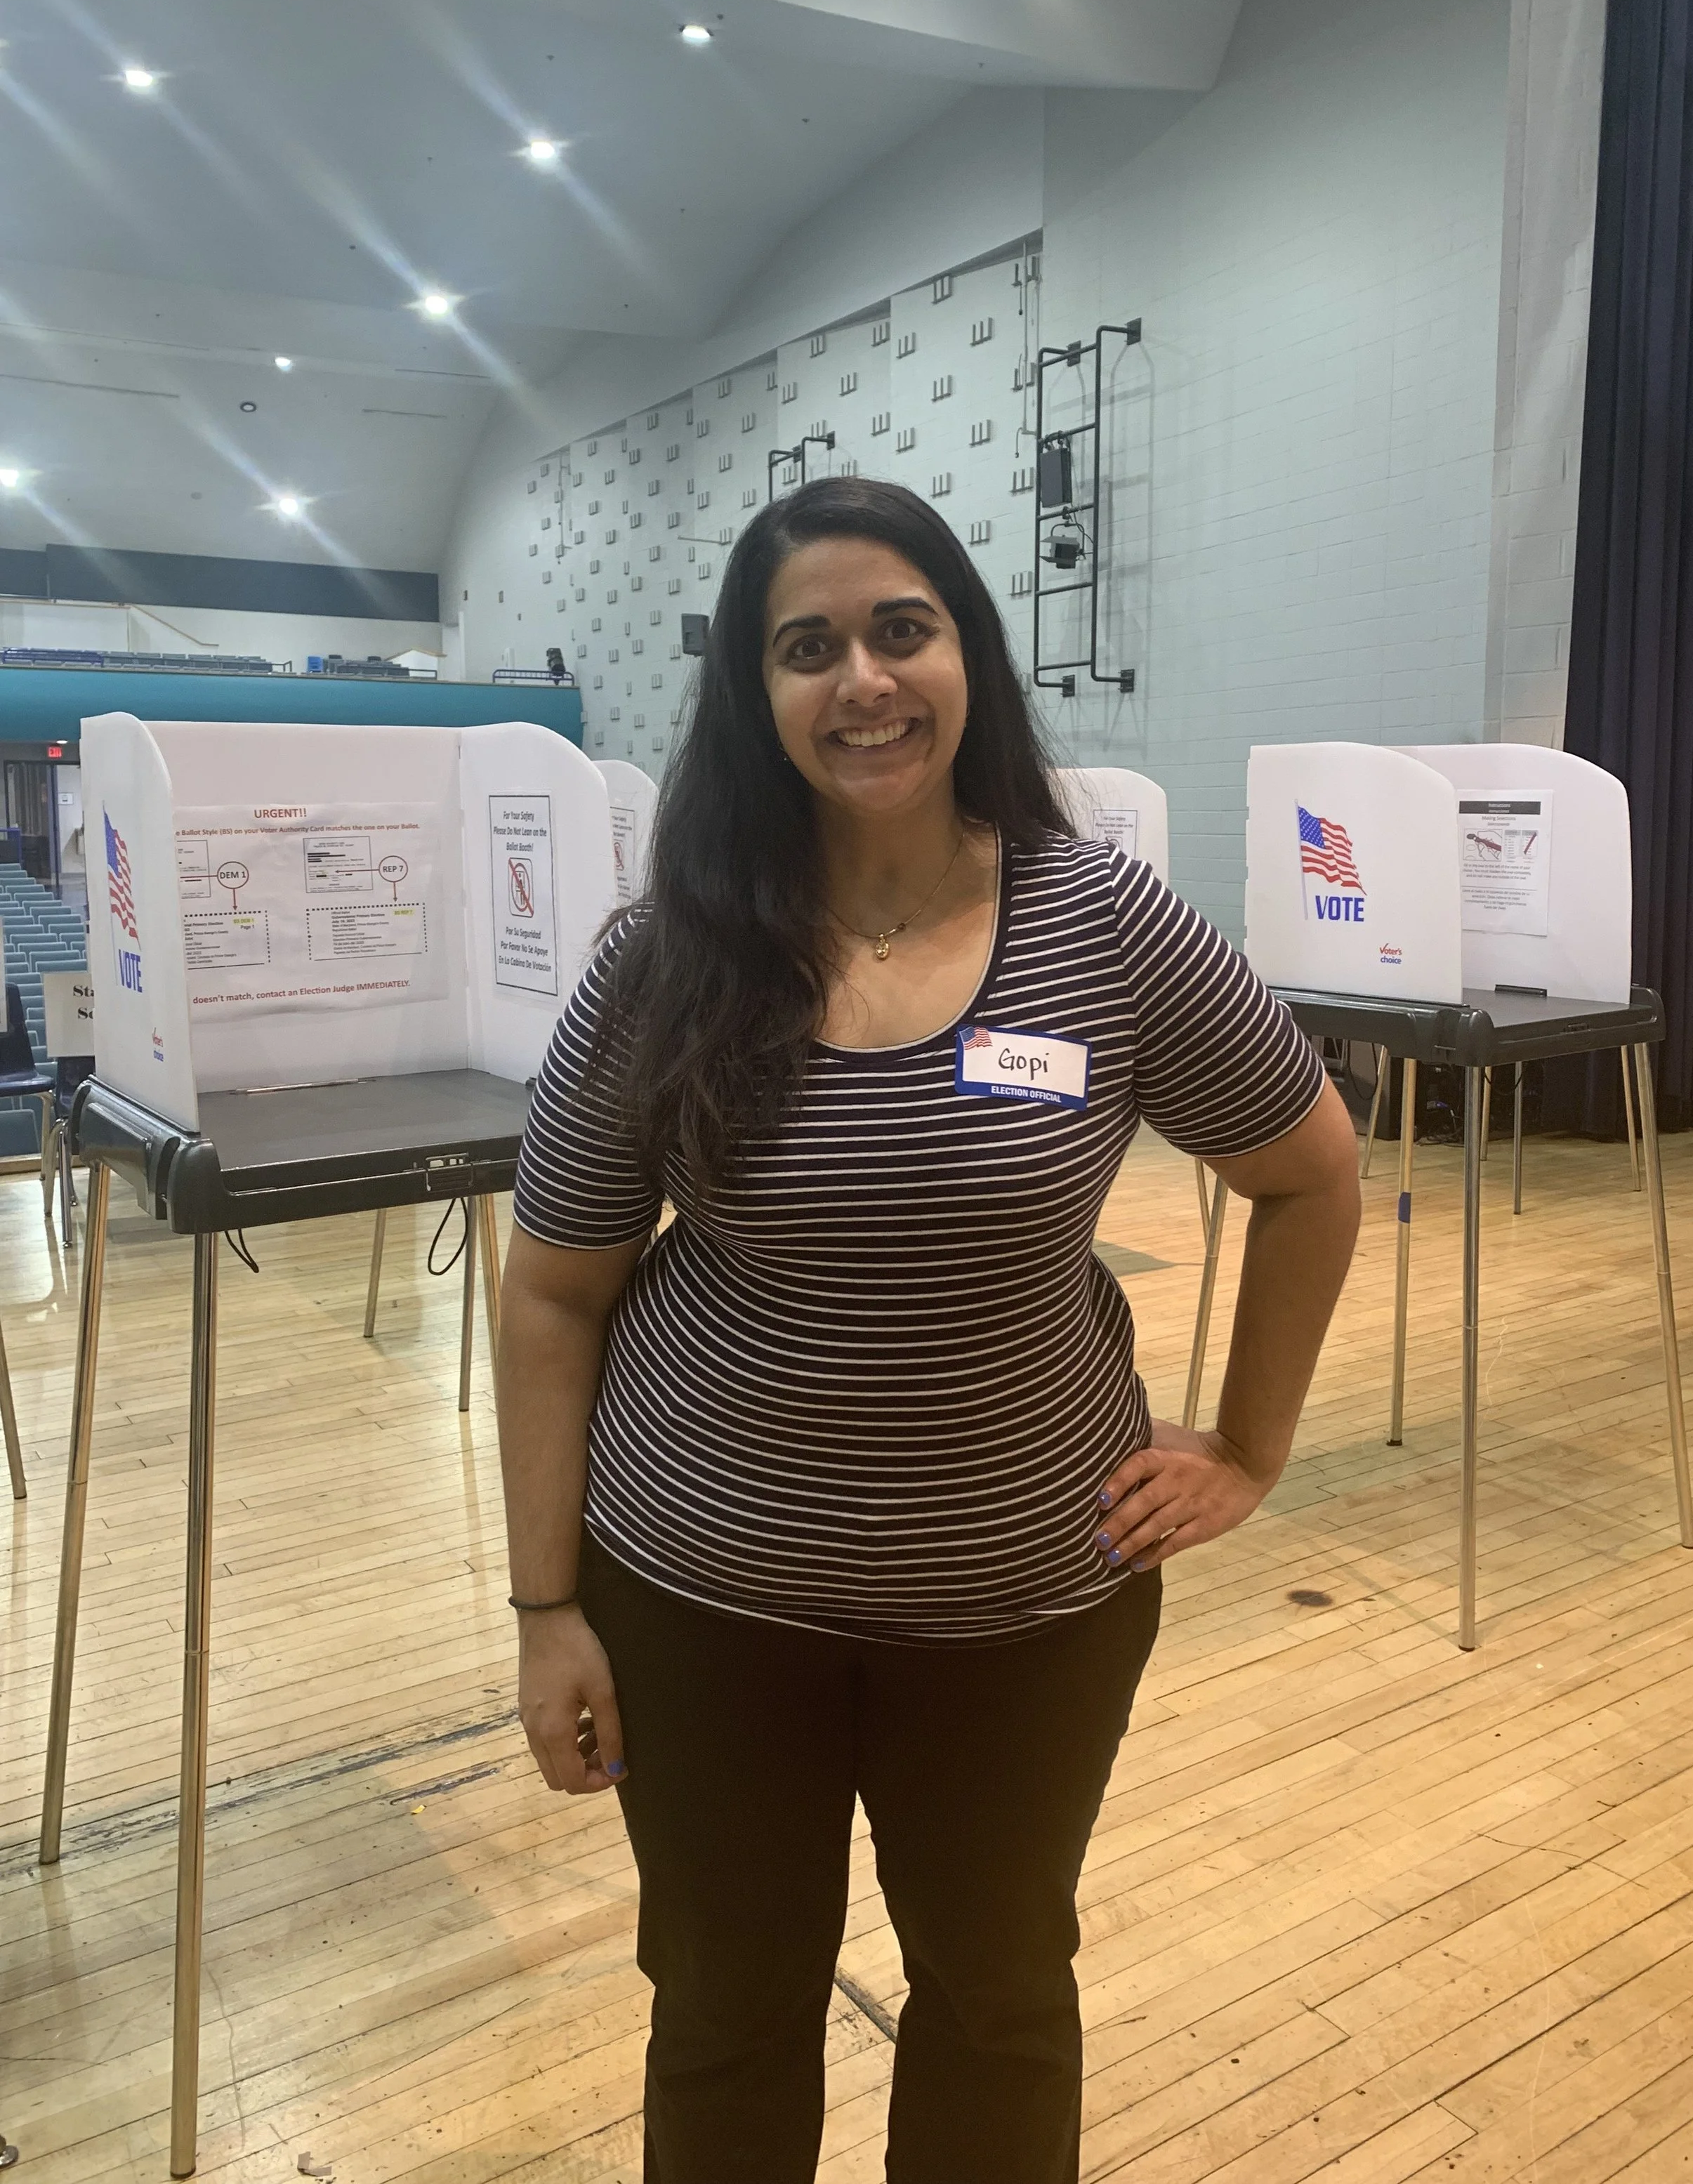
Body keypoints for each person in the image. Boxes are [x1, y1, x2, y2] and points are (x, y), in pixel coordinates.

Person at [497, 477, 1361, 2184]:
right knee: (728, 2010)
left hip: (1023, 1604)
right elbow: (550, 1289)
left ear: (964, 651)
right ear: (754, 699)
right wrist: (543, 1611)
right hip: (704, 1597)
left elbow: (1311, 1171)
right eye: (804, 648)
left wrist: (1248, 1446)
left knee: (997, 1999)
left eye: (902, 629)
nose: (862, 681)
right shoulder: (668, 958)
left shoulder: (1102, 929)